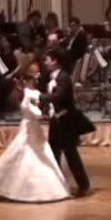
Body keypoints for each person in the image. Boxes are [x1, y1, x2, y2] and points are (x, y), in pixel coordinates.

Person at [0, 74, 70, 203]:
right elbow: (37, 114)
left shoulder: (26, 94)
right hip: (30, 128)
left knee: (26, 153)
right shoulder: (30, 94)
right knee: (29, 154)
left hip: (30, 127)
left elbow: (33, 111)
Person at [42, 49, 94, 196]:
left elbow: (59, 97)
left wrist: (40, 97)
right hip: (56, 120)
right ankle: (56, 184)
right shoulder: (53, 76)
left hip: (65, 121)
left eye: (47, 59)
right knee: (54, 153)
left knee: (70, 153)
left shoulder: (63, 77)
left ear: (54, 61)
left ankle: (83, 184)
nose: (45, 62)